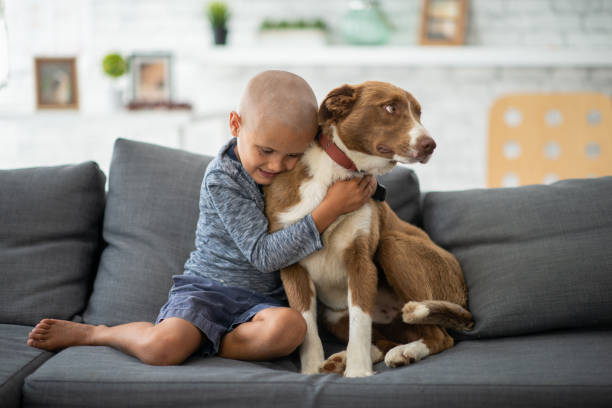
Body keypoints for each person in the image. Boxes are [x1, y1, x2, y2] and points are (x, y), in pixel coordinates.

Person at [27, 70, 378, 365]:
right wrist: (330, 208)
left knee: (290, 331)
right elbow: (264, 255)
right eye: (266, 151)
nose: (277, 166)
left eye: (292, 155)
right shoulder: (222, 178)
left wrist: (362, 177)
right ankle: (98, 333)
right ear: (235, 124)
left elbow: (342, 165)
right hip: (207, 290)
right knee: (162, 349)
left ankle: (208, 341)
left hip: (263, 305)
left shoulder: (297, 171)